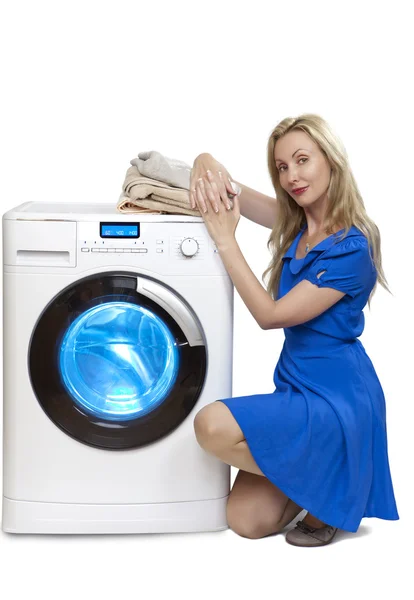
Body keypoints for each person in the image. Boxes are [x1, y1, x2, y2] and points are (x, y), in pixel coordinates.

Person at [190, 113, 399, 548]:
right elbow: (228, 187)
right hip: (295, 386)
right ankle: (324, 482)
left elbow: (271, 315)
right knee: (246, 520)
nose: (292, 177)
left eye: (302, 160)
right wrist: (202, 159)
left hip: (338, 396)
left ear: (331, 161)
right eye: (282, 167)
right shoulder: (297, 222)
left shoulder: (351, 247)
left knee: (211, 425)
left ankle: (333, 482)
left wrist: (225, 240)